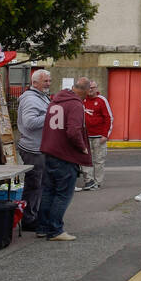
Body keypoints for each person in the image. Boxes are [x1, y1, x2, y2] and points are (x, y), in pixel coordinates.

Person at [35, 77, 91, 241]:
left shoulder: (55, 101)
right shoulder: (75, 104)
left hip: (50, 151)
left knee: (48, 191)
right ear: (85, 91)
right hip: (65, 154)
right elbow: (73, 131)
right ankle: (55, 230)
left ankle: (43, 227)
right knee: (63, 193)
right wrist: (82, 147)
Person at [16, 69, 51, 231]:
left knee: (39, 184)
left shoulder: (40, 97)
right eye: (45, 81)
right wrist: (52, 116)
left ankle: (33, 216)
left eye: (49, 81)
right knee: (34, 184)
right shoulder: (31, 99)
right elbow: (29, 123)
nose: (48, 84)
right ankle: (29, 219)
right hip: (33, 148)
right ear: (35, 83)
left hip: (38, 147)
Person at [76, 80, 113, 192]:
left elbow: (109, 118)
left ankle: (97, 182)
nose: (91, 89)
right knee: (86, 160)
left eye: (93, 87)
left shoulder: (102, 100)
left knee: (98, 160)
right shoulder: (82, 100)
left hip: (98, 137)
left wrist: (105, 135)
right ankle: (89, 181)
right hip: (85, 136)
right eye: (89, 87)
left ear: (96, 88)